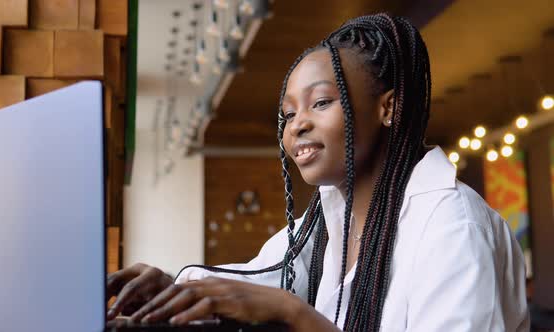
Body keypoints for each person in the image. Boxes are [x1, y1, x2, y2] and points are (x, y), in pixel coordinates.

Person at [106, 13, 529, 331]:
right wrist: (171, 288)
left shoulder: (452, 228)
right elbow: (259, 278)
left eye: (322, 102)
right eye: (288, 113)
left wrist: (295, 315)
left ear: (389, 108)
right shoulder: (328, 218)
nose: (297, 124)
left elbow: (277, 300)